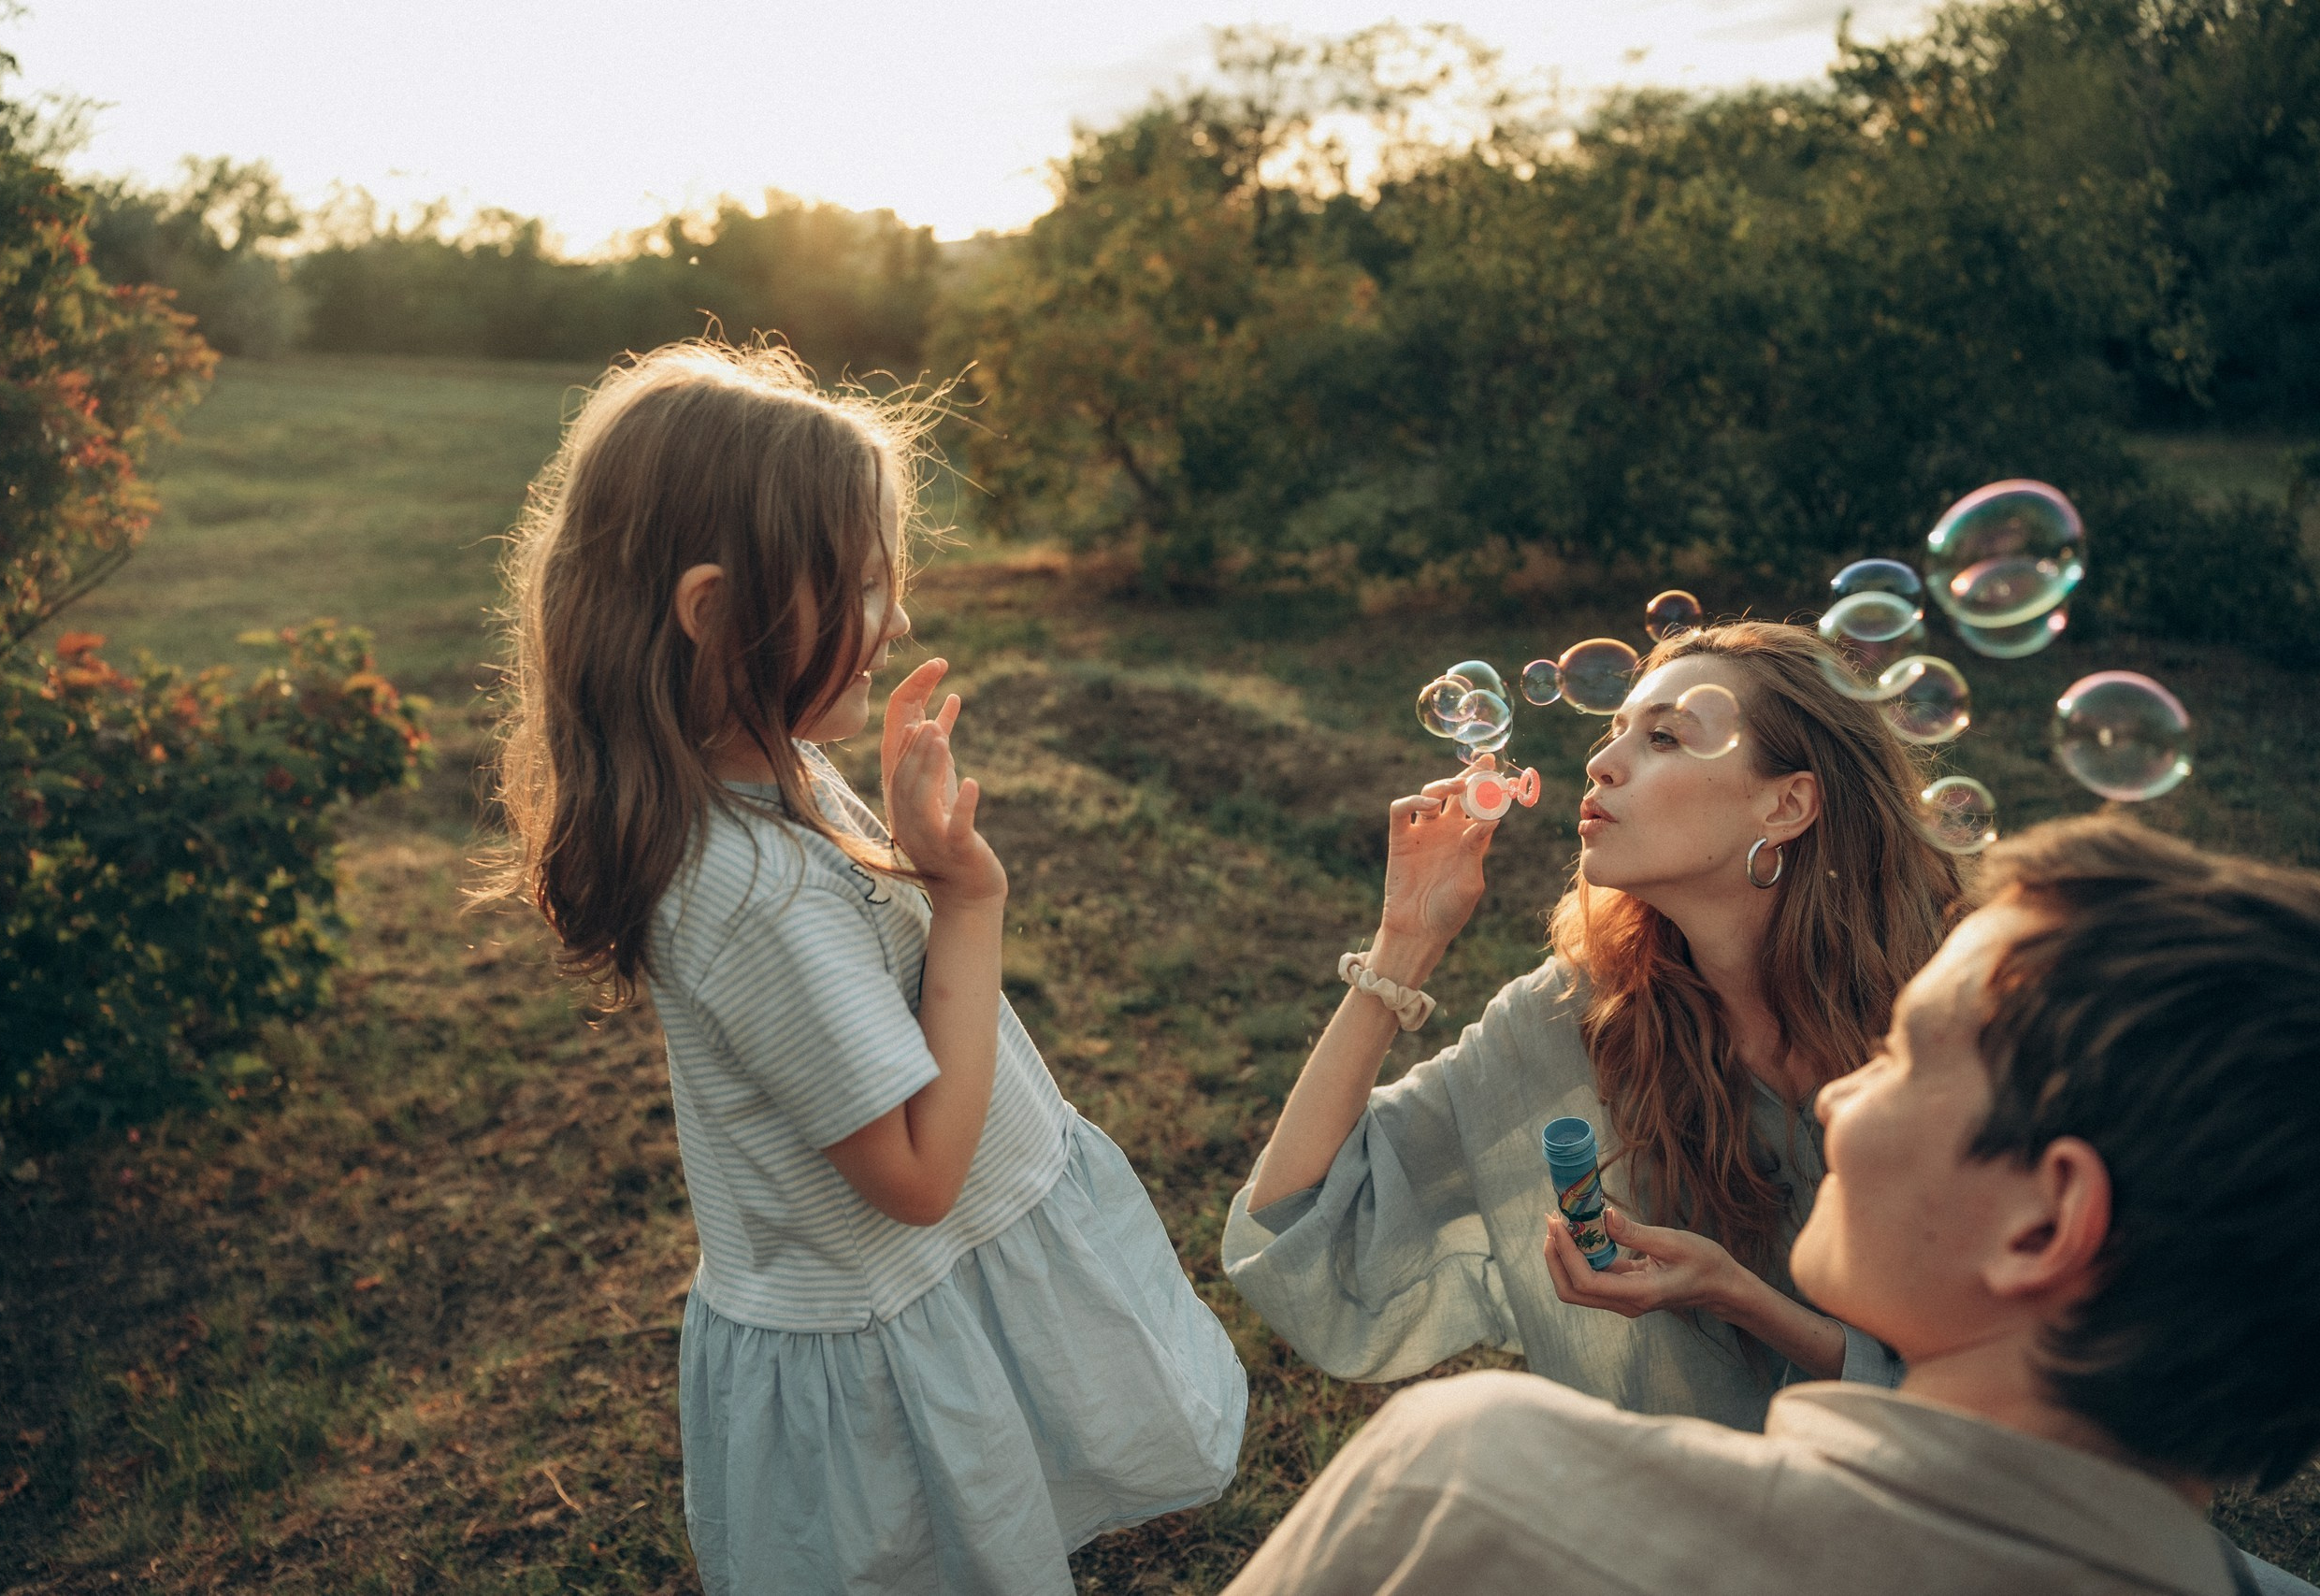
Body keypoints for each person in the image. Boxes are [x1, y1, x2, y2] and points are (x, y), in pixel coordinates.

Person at [485, 342, 1244, 1595]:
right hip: (883, 1328)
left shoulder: (764, 771)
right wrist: (969, 896)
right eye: (867, 586)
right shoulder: (744, 891)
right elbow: (918, 1174)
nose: (897, 622)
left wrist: (905, 855)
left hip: (915, 1296)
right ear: (714, 612)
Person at [1222, 813, 2320, 1595]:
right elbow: (1306, 1216)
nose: (1841, 1098)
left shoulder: (1466, 1486)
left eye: (1903, 1058)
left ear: (2043, 1224)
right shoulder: (1574, 1012)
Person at [1226, 623, 1961, 1428]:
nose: (1601, 762)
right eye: (1615, 731)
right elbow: (1295, 1220)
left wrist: (1738, 1295)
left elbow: (2009, 1384)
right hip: (1700, 1481)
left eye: (1664, 737)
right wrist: (1404, 940)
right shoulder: (1590, 1012)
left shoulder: (1961, 1016)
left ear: (1785, 804)